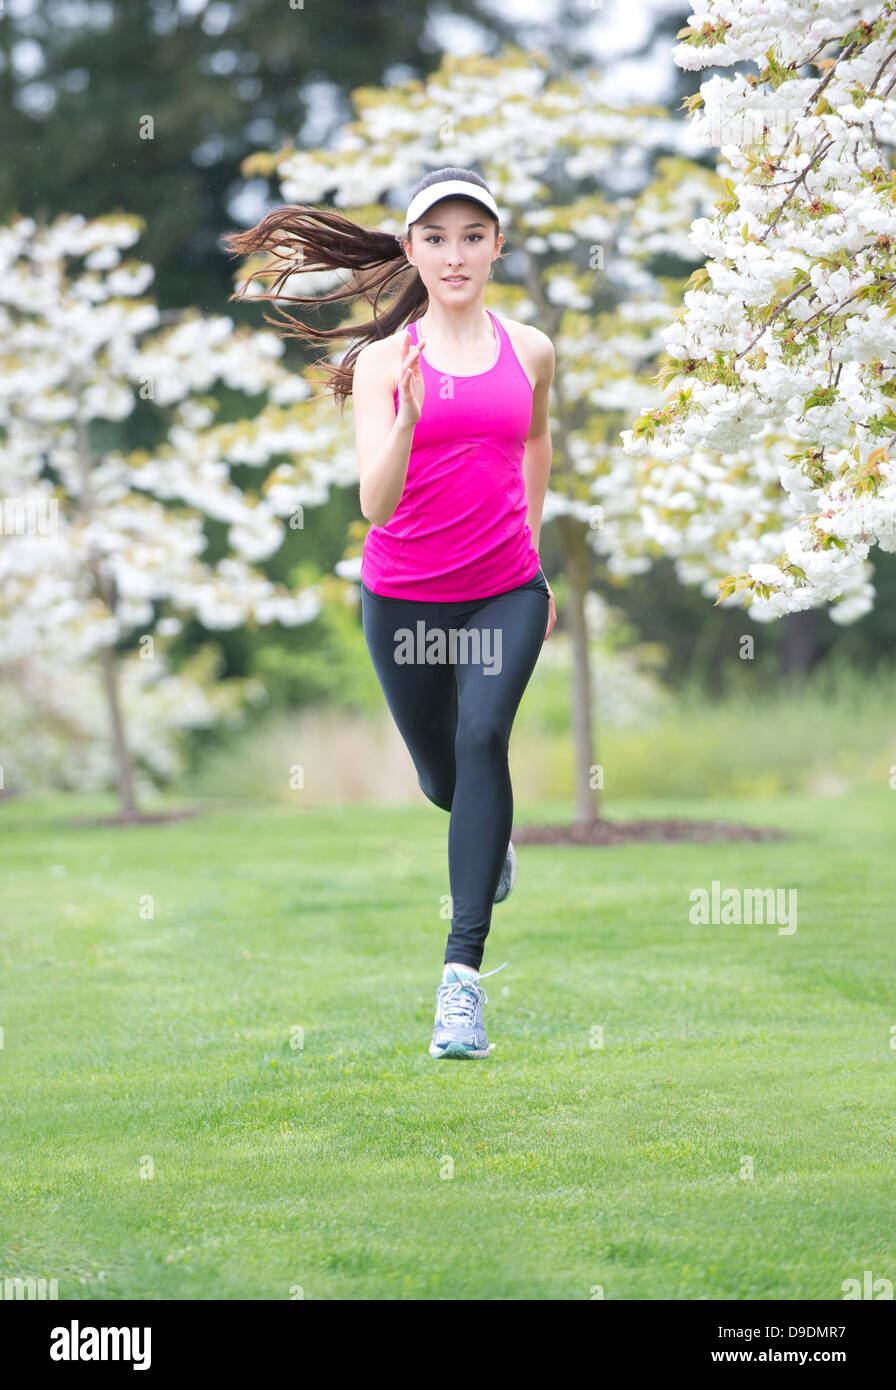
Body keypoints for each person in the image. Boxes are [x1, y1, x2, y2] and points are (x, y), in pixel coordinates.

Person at [222, 166, 557, 1060]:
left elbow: (534, 443)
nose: (456, 254)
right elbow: (375, 504)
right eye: (437, 238)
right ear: (411, 250)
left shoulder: (530, 349)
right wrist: (407, 421)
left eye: (473, 236)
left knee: (485, 739)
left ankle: (460, 983)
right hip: (405, 597)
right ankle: (488, 842)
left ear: (496, 247)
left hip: (504, 590)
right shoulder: (383, 362)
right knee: (444, 780)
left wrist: (535, 559)